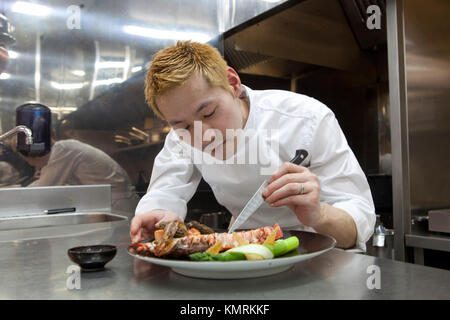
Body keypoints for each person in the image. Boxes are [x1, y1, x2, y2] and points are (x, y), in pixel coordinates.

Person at [130, 41, 375, 251]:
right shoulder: (181, 137)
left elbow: (359, 221)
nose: (202, 137)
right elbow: (164, 194)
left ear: (233, 83)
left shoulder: (307, 118)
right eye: (183, 126)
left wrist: (319, 214)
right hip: (245, 250)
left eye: (209, 113)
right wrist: (159, 216)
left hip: (318, 251)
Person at [23, 139, 138, 213]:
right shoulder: (65, 147)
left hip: (116, 204)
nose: (34, 166)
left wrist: (15, 193)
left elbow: (43, 189)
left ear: (34, 156)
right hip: (114, 201)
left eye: (28, 161)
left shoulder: (62, 149)